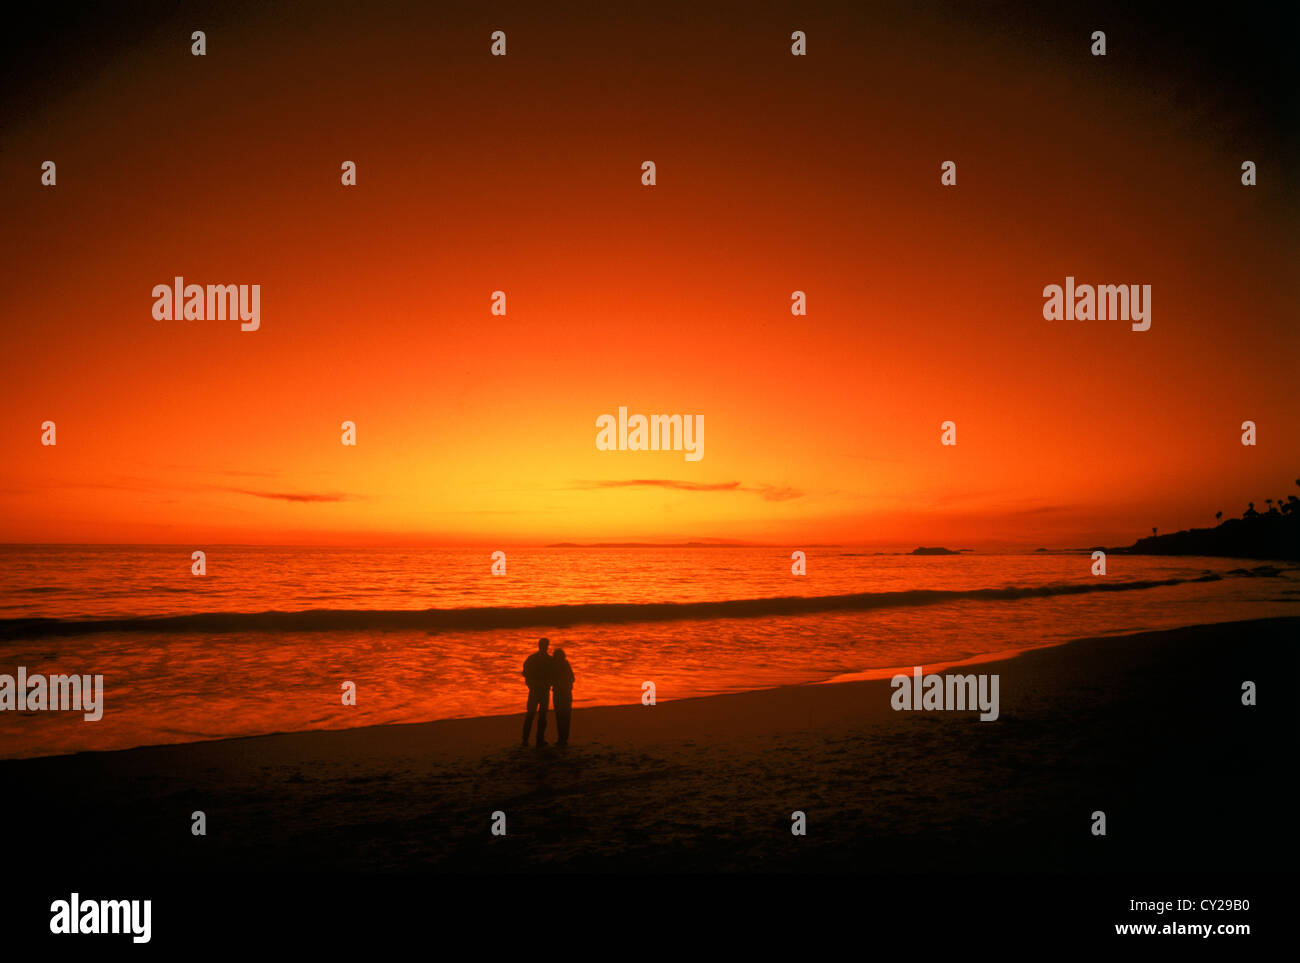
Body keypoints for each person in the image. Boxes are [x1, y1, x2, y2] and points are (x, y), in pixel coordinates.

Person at [521, 638, 553, 746]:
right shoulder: (549, 660)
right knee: (539, 716)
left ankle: (527, 740)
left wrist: (530, 684)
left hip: (536, 690)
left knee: (532, 715)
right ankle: (538, 739)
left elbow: (525, 673)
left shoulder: (532, 659)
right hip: (541, 690)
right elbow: (525, 673)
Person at [551, 648, 575, 746]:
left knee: (560, 716)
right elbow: (572, 679)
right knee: (565, 717)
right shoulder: (565, 664)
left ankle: (562, 738)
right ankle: (563, 738)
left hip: (559, 694)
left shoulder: (555, 666)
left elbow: (571, 679)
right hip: (566, 694)